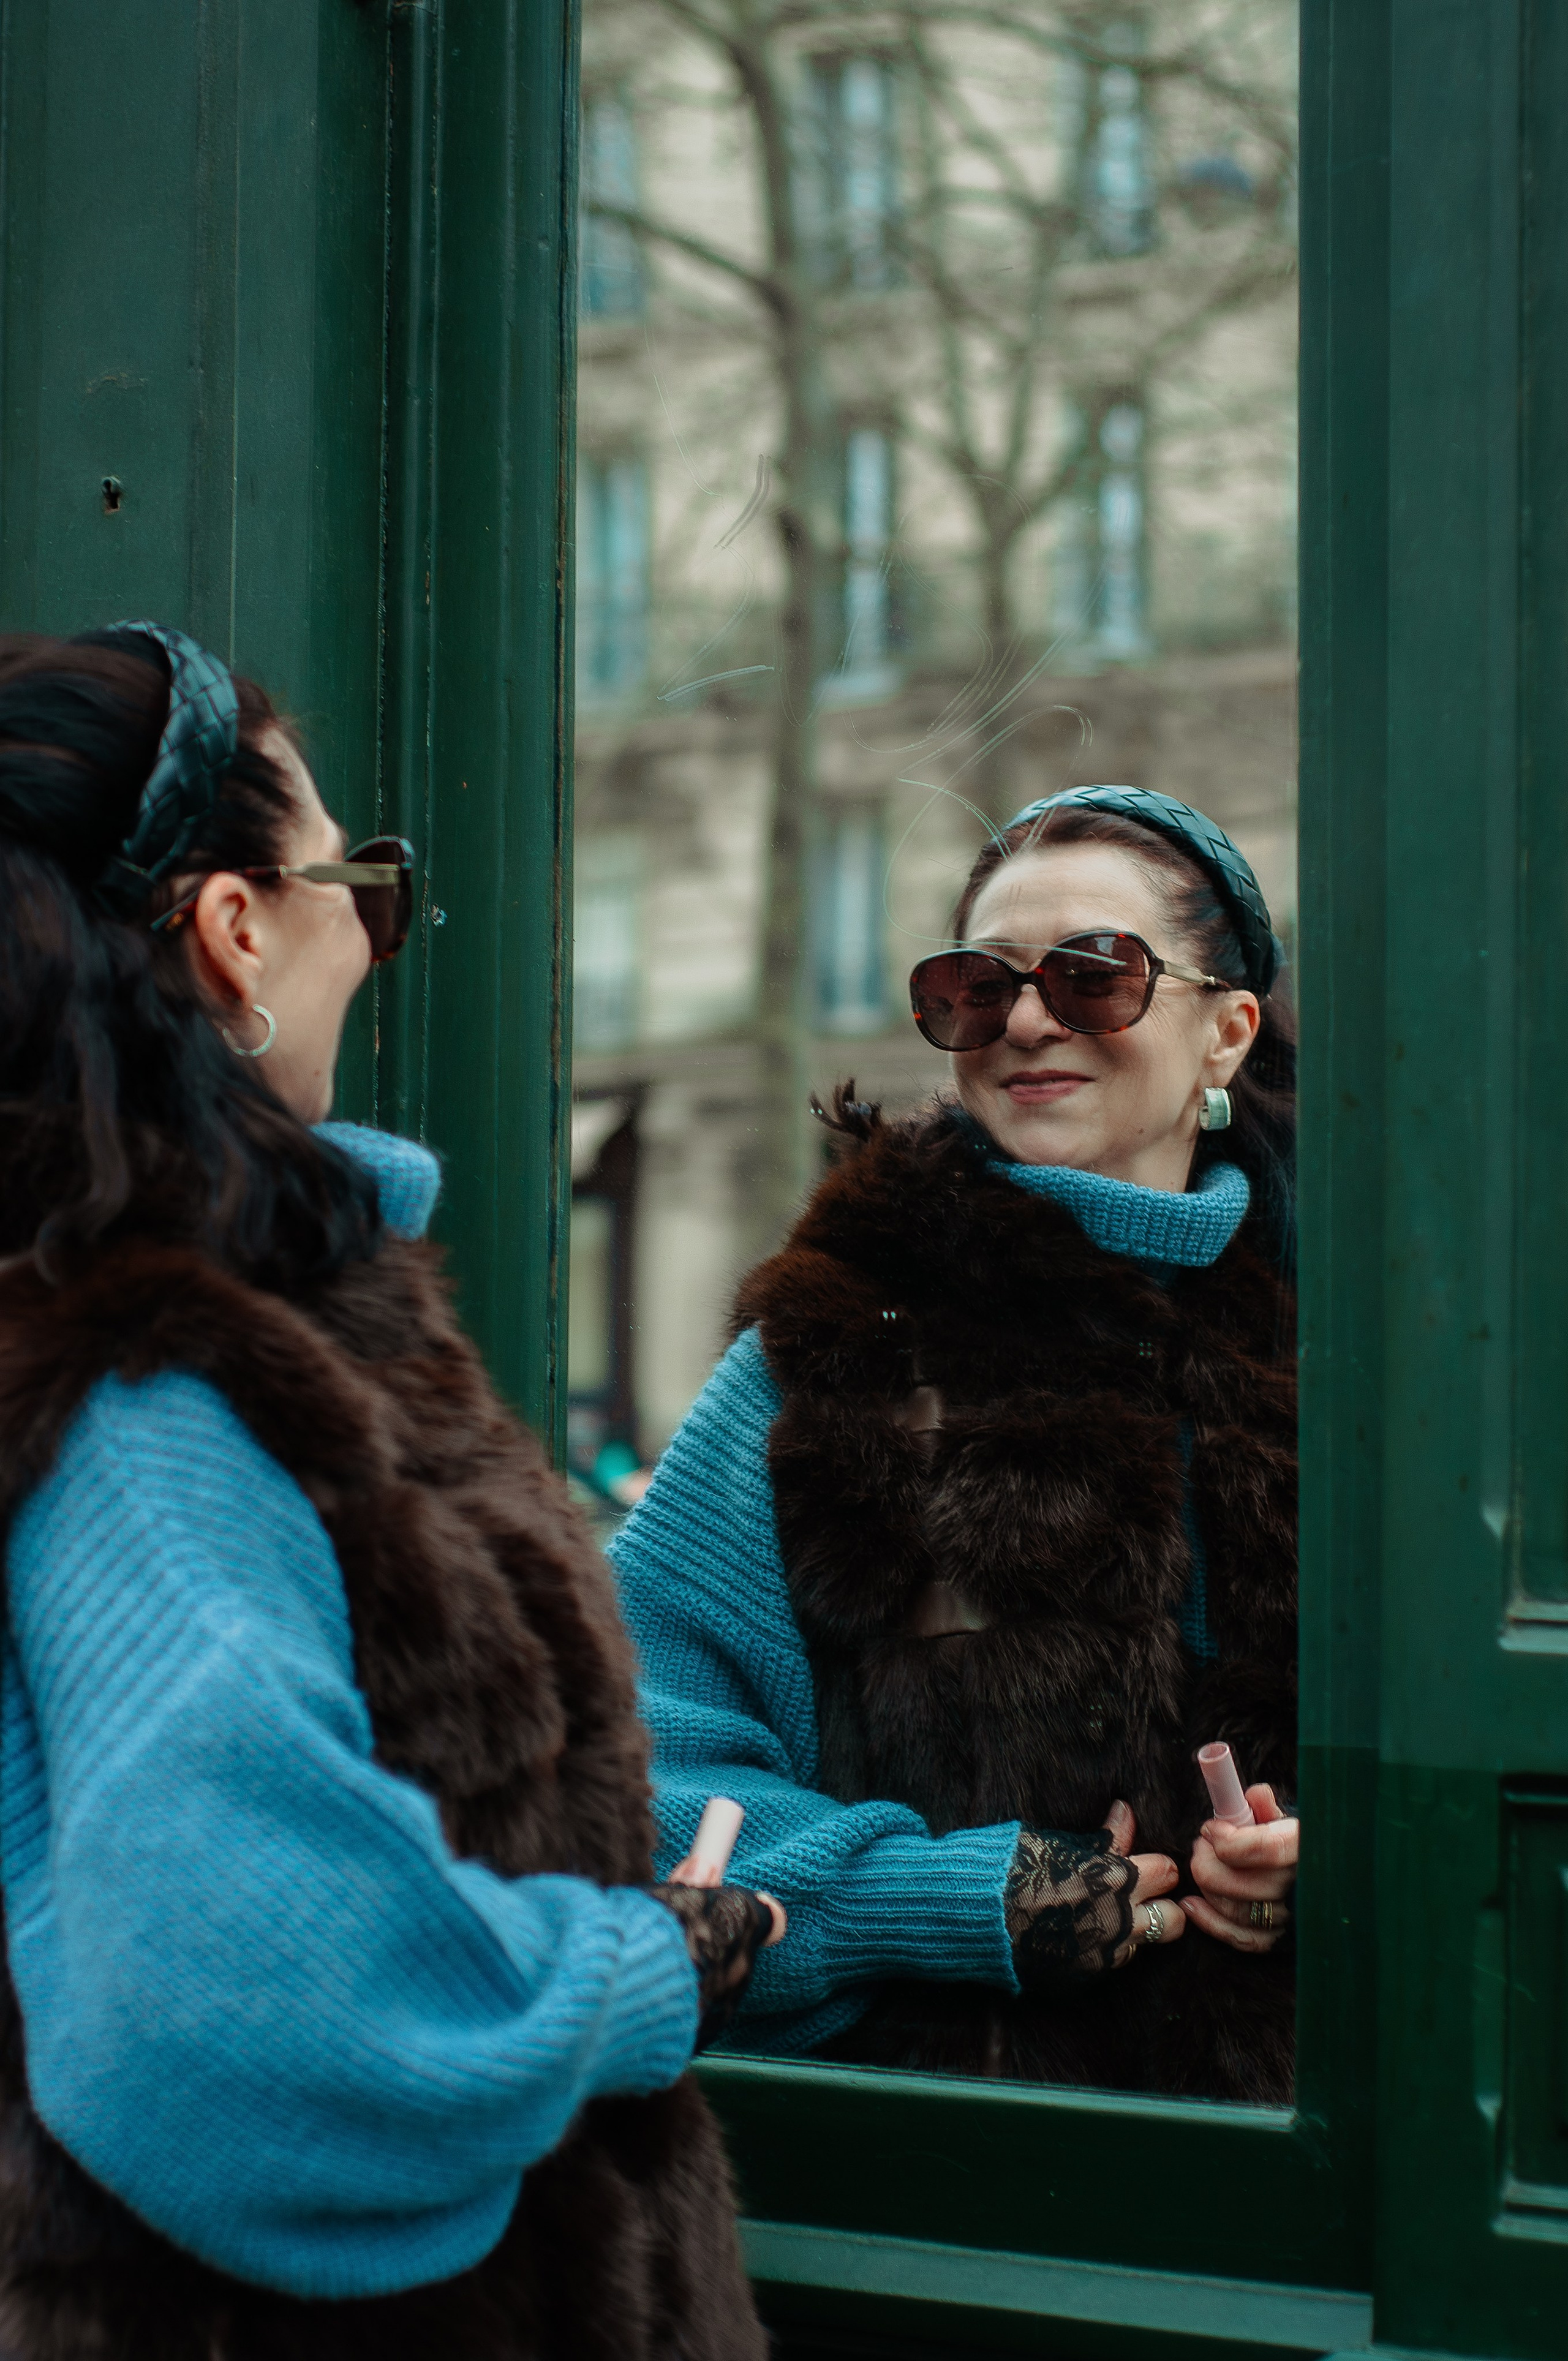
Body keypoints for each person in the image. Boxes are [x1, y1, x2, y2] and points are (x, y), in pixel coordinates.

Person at [0, 626, 780, 2359]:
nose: (375, 930)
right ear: (233, 933)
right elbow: (258, 2007)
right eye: (362, 880)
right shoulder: (163, 1397)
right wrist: (635, 1976)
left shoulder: (211, 1340)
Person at [612, 786, 1299, 2102]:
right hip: (931, 2173)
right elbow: (638, 1767)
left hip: (1284, 2202)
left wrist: (1307, 1870)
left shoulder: (1352, 1367)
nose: (1028, 1019)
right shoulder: (825, 1352)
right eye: (975, 988)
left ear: (1224, 1034)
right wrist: (940, 1900)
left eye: (1091, 974)